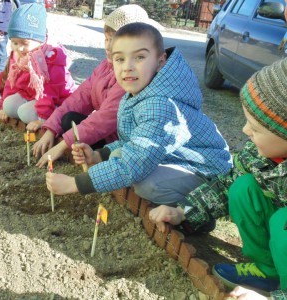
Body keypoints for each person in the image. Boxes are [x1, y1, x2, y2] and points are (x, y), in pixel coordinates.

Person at [46, 23, 232, 213]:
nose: (128, 67)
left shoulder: (160, 106)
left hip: (207, 172)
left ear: (160, 62)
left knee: (146, 184)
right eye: (120, 59)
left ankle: (192, 211)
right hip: (176, 158)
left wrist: (74, 184)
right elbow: (132, 143)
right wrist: (97, 155)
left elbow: (136, 162)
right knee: (121, 157)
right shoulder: (140, 92)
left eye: (140, 57)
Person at [148, 58, 287, 299]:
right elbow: (224, 186)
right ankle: (267, 270)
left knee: (282, 223)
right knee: (241, 188)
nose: (245, 131)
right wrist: (183, 212)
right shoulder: (258, 154)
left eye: (256, 129)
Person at [33, 4, 154, 167]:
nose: (108, 46)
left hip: (123, 142)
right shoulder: (105, 67)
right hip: (109, 135)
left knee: (77, 129)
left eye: (115, 40)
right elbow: (78, 99)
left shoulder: (130, 76)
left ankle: (98, 160)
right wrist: (50, 130)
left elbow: (104, 119)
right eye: (107, 39)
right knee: (69, 119)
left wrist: (62, 145)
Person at [0, 3, 76, 132]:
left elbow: (48, 92)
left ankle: (52, 114)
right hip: (30, 94)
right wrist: (2, 105)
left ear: (40, 39)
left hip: (57, 100)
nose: (19, 48)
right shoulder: (18, 55)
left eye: (24, 43)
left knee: (25, 114)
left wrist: (42, 119)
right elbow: (11, 81)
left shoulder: (49, 59)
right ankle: (29, 108)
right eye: (14, 43)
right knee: (8, 105)